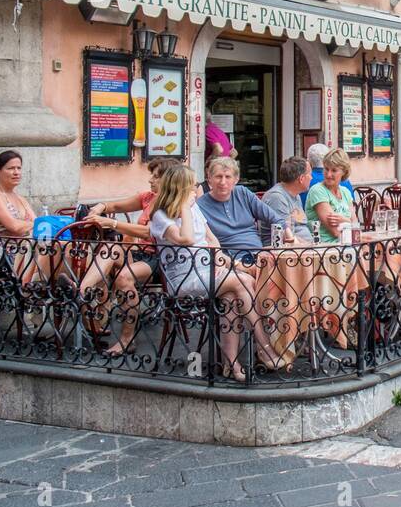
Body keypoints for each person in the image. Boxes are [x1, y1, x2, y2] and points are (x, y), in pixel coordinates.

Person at [149, 164, 283, 380]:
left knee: (231, 297)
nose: (197, 189)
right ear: (180, 189)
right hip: (184, 277)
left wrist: (222, 259)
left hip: (207, 269)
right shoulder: (161, 216)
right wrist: (184, 207)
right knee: (244, 282)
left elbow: (211, 239)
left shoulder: (193, 208)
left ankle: (231, 364)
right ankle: (264, 345)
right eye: (192, 186)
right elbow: (187, 239)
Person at [80, 156, 177, 356]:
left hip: (162, 259)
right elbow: (114, 206)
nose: (151, 180)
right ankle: (81, 292)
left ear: (168, 179)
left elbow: (148, 232)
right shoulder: (147, 197)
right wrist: (100, 207)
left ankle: (127, 339)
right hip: (140, 254)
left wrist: (112, 224)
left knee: (124, 277)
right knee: (110, 248)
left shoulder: (172, 202)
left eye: (156, 176)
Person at [196, 157, 283, 263]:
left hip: (259, 256)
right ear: (209, 178)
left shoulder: (242, 193)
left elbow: (275, 218)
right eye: (218, 176)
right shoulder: (200, 206)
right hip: (231, 261)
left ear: (236, 179)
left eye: (228, 177)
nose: (223, 182)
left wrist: (291, 236)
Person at [0, 150, 37, 238]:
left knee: (62, 244)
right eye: (11, 168)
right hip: (5, 249)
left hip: (28, 245)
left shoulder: (20, 198)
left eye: (19, 168)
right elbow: (14, 226)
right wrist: (34, 224)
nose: (16, 172)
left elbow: (39, 223)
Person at [261, 156, 315, 245]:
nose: (311, 178)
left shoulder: (296, 195)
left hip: (303, 251)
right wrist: (310, 246)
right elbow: (286, 237)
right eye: (310, 174)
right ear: (301, 178)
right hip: (286, 253)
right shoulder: (277, 198)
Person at [305, 148, 356, 242]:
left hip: (346, 245)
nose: (328, 174)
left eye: (334, 170)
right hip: (326, 248)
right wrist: (349, 222)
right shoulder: (317, 191)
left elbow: (356, 226)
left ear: (344, 172)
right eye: (326, 169)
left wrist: (343, 220)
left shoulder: (346, 192)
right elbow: (336, 231)